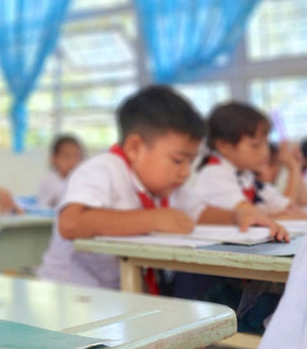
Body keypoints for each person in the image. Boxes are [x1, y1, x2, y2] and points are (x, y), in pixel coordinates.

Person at [36, 85, 286, 290]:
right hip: (69, 295)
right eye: (178, 160)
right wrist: (154, 219)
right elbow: (71, 223)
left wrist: (238, 216)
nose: (185, 171)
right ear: (135, 148)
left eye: (190, 161)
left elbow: (199, 213)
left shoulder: (171, 186)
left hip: (124, 294)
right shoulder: (103, 169)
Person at [193, 102, 307, 221]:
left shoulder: (246, 175)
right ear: (224, 145)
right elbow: (251, 216)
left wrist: (294, 167)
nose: (265, 152)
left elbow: (287, 206)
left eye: (266, 143)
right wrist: (281, 215)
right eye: (255, 145)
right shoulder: (214, 174)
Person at [37, 133, 84, 209]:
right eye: (66, 156)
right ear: (53, 159)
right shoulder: (50, 182)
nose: (72, 162)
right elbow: (43, 207)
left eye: (76, 156)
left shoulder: (80, 180)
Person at [259, 141, 307, 208]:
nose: (276, 170)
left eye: (278, 165)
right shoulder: (256, 188)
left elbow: (305, 202)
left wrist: (296, 166)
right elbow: (286, 207)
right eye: (271, 164)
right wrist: (293, 168)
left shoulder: (269, 188)